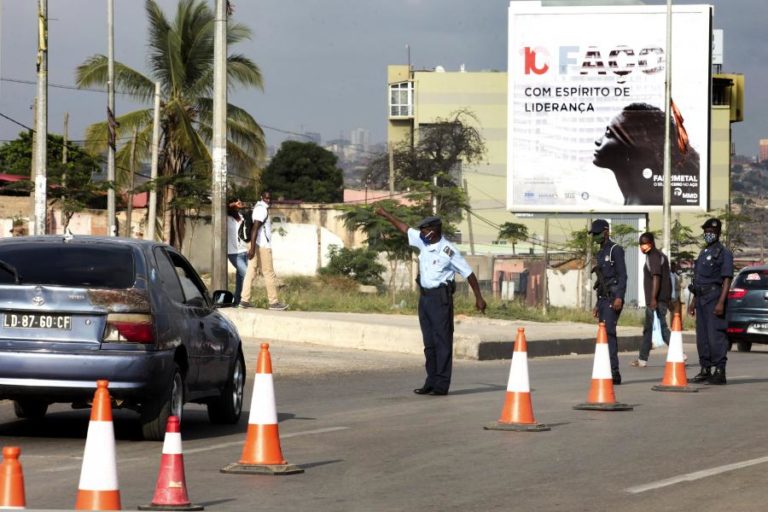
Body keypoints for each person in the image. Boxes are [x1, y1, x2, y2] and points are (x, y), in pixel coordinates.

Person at [375, 207, 486, 396]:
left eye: (425, 230)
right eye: (422, 231)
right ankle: (431, 381)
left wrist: (479, 297)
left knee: (442, 341)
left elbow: (468, 273)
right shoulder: (423, 242)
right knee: (429, 343)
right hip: (425, 298)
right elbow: (404, 228)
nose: (422, 233)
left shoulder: (448, 251)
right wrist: (386, 214)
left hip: (440, 299)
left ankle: (441, 384)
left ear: (434, 231)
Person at [592, 102, 700, 206]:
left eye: (609, 133)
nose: (597, 140)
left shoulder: (645, 203)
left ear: (635, 147)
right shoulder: (640, 200)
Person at [687, 218, 733, 385]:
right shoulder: (703, 252)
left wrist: (721, 302)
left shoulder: (724, 253)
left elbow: (726, 279)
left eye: (712, 232)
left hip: (714, 298)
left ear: (718, 233)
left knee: (716, 336)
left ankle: (720, 371)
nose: (708, 234)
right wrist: (693, 302)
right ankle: (705, 369)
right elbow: (698, 280)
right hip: (701, 298)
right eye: (706, 231)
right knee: (703, 338)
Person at [590, 219, 627, 385]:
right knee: (603, 335)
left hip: (613, 298)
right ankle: (607, 369)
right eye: (593, 234)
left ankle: (614, 372)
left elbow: (622, 275)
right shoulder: (600, 253)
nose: (595, 237)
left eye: (597, 233)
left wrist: (619, 296)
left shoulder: (615, 250)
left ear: (606, 232)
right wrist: (597, 304)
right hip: (603, 299)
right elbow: (601, 282)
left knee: (609, 334)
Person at [239, 191, 289, 311]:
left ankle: (244, 300)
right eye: (266, 197)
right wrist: (252, 249)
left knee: (251, 271)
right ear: (262, 197)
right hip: (262, 246)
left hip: (255, 244)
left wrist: (252, 247)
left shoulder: (258, 207)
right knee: (268, 273)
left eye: (269, 198)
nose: (268, 199)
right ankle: (273, 302)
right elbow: (255, 228)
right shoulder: (262, 210)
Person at [631, 232, 671, 368]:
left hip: (656, 300)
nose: (643, 246)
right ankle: (642, 359)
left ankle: (679, 354)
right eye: (641, 244)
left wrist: (653, 298)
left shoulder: (653, 256)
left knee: (660, 329)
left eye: (645, 243)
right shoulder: (657, 255)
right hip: (659, 299)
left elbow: (656, 277)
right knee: (650, 329)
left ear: (652, 243)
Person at [226, 199, 248, 305]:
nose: (237, 206)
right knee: (247, 274)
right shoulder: (226, 218)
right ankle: (245, 300)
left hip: (244, 250)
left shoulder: (241, 216)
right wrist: (233, 204)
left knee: (240, 278)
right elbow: (225, 207)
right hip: (233, 252)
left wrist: (242, 207)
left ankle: (237, 301)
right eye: (236, 204)